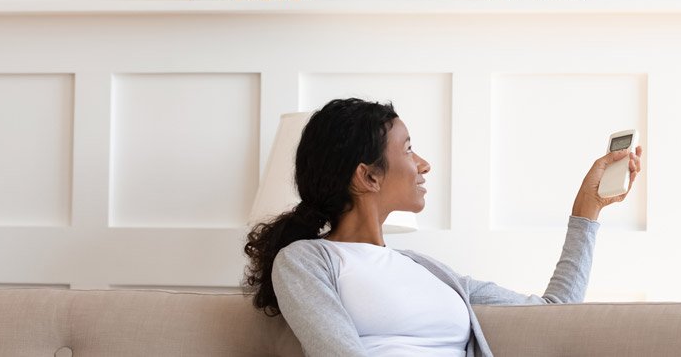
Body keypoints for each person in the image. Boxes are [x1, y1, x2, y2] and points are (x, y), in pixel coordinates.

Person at [243, 98, 643, 357]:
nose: (423, 164)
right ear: (368, 177)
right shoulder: (305, 261)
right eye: (408, 148)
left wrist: (587, 211)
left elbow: (553, 315)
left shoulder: (430, 272)